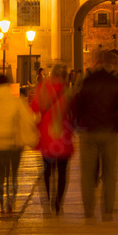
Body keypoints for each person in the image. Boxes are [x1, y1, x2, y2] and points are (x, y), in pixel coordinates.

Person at [71, 50, 118, 221]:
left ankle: (89, 211)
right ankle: (108, 212)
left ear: (95, 64)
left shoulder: (86, 82)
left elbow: (76, 106)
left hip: (89, 132)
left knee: (87, 173)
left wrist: (78, 124)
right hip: (109, 132)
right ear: (109, 65)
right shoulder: (115, 82)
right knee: (110, 174)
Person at [0, 73, 36, 214]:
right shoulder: (17, 100)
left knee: (1, 174)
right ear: (8, 85)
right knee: (13, 174)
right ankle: (11, 201)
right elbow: (27, 119)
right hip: (14, 143)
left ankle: (1, 201)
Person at [30, 62, 74, 215]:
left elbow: (34, 109)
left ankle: (48, 198)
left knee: (47, 171)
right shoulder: (68, 92)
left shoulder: (41, 90)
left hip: (47, 137)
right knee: (62, 172)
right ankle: (57, 202)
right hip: (63, 138)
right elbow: (73, 114)